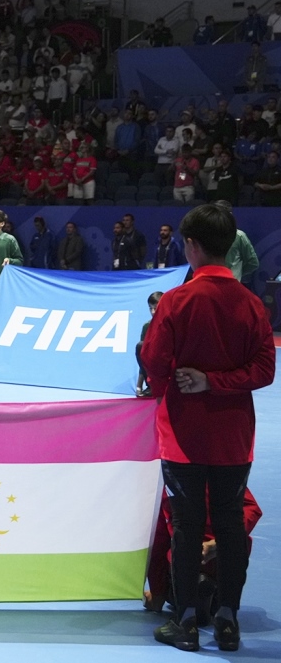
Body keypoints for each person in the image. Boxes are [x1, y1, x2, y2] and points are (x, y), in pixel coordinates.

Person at [141, 203, 275, 652]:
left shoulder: (176, 300)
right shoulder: (251, 304)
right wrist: (218, 382)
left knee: (185, 525)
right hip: (233, 438)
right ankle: (228, 620)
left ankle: (185, 624)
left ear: (191, 246)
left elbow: (154, 361)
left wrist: (178, 389)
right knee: (230, 525)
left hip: (183, 435)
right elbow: (264, 371)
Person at [145, 486, 262, 624]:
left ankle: (188, 598)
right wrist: (220, 542)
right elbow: (252, 508)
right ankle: (221, 603)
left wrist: (157, 593)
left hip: (185, 562)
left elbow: (159, 544)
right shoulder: (224, 476)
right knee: (236, 541)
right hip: (226, 561)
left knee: (175, 545)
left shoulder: (166, 487)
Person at [134, 291, 162, 397]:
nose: (153, 312)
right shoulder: (147, 326)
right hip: (155, 366)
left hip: (171, 366)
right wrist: (139, 386)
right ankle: (151, 387)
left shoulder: (175, 323)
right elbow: (143, 357)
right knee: (140, 346)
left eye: (156, 308)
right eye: (150, 308)